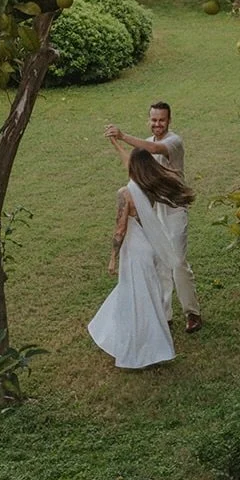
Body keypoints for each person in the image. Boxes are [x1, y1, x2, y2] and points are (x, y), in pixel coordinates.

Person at [88, 148, 195, 370]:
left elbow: (120, 230)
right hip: (149, 247)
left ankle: (142, 350)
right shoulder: (148, 189)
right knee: (139, 293)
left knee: (138, 297)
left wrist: (112, 258)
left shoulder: (125, 193)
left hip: (135, 251)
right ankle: (126, 338)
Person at [105, 102, 202, 332]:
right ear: (149, 120)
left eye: (162, 120)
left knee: (177, 262)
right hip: (153, 211)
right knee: (159, 264)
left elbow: (154, 149)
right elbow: (135, 165)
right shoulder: (148, 143)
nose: (157, 124)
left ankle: (192, 313)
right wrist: (116, 143)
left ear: (169, 120)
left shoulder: (173, 142)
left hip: (175, 210)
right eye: (154, 120)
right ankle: (164, 315)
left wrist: (123, 135)